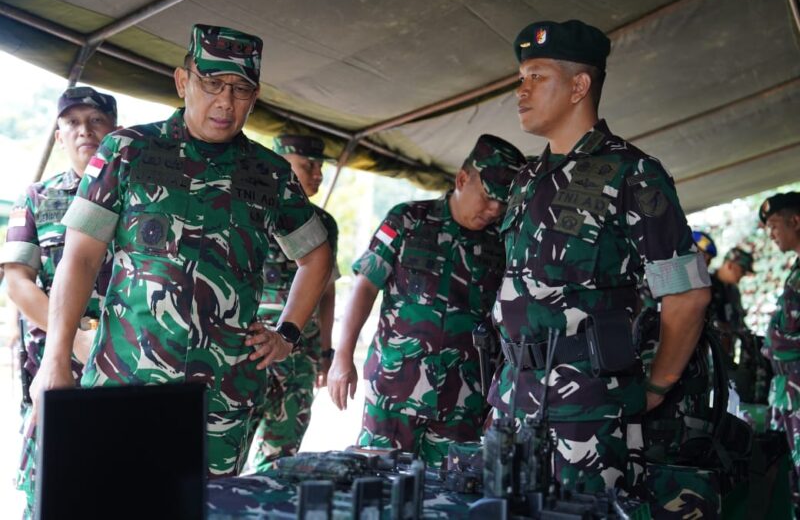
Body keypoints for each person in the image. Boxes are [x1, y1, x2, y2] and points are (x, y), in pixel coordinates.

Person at [28, 24, 332, 478]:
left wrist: (286, 335)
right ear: (183, 81)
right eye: (212, 84)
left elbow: (317, 257)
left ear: (255, 95)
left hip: (223, 398)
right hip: (126, 380)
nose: (225, 102)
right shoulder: (128, 151)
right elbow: (81, 258)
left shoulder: (270, 174)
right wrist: (55, 360)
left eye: (240, 89)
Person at [487, 19, 711, 496]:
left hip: (588, 411)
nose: (520, 91)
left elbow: (687, 294)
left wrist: (656, 386)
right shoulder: (526, 178)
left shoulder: (634, 173)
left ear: (579, 86)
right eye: (520, 78)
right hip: (511, 399)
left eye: (536, 76)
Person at [328, 134, 524, 466]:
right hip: (394, 390)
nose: (495, 210)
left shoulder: (503, 245)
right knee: (379, 488)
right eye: (489, 198)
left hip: (463, 400)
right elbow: (365, 286)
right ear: (462, 179)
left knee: (450, 494)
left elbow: (510, 324)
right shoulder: (407, 220)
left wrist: (501, 400)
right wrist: (341, 356)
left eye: (503, 204)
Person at [0, 86, 118, 518]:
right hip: (55, 383)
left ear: (115, 129)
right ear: (58, 133)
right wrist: (76, 340)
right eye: (72, 122)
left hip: (128, 386)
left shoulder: (143, 200)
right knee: (50, 501)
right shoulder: (36, 199)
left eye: (95, 120)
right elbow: (17, 283)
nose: (84, 130)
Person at [248, 134, 339, 468]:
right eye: (308, 165)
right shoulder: (249, 207)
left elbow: (326, 291)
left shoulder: (324, 224)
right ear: (281, 163)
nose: (317, 174)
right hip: (251, 348)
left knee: (280, 458)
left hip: (300, 354)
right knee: (222, 455)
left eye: (320, 167)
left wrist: (326, 353)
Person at [759, 192, 800, 490]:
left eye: (774, 225)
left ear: (795, 221)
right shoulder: (795, 273)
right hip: (790, 392)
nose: (771, 234)